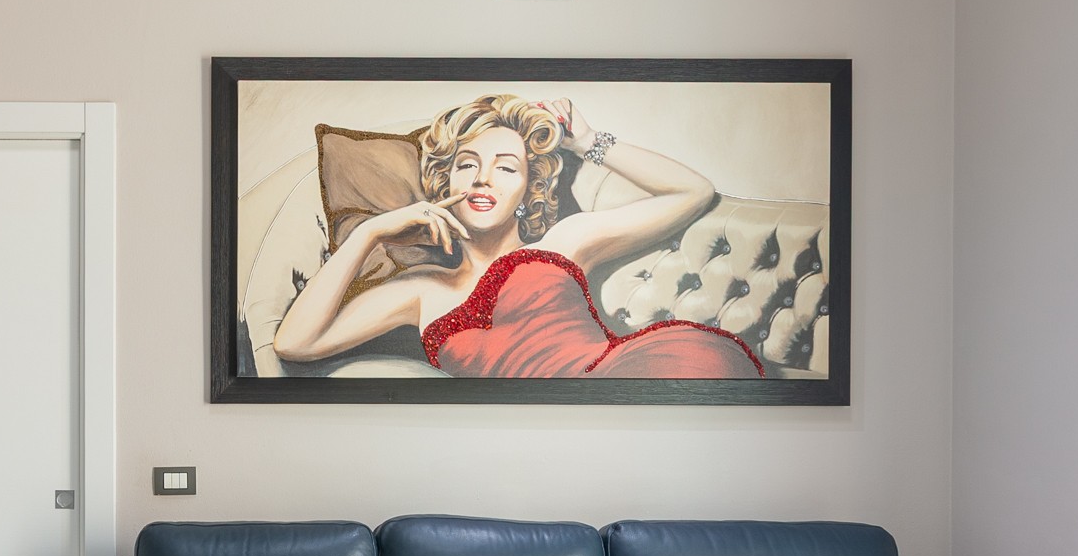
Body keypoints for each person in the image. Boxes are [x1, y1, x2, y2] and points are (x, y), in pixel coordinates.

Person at [271, 93, 761, 379]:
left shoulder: (562, 243)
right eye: (468, 165)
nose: (484, 179)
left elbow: (693, 192)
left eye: (506, 168)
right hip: (525, 438)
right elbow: (294, 343)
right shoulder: (418, 292)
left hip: (624, 378)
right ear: (444, 183)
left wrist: (588, 142)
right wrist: (371, 232)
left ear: (528, 190)